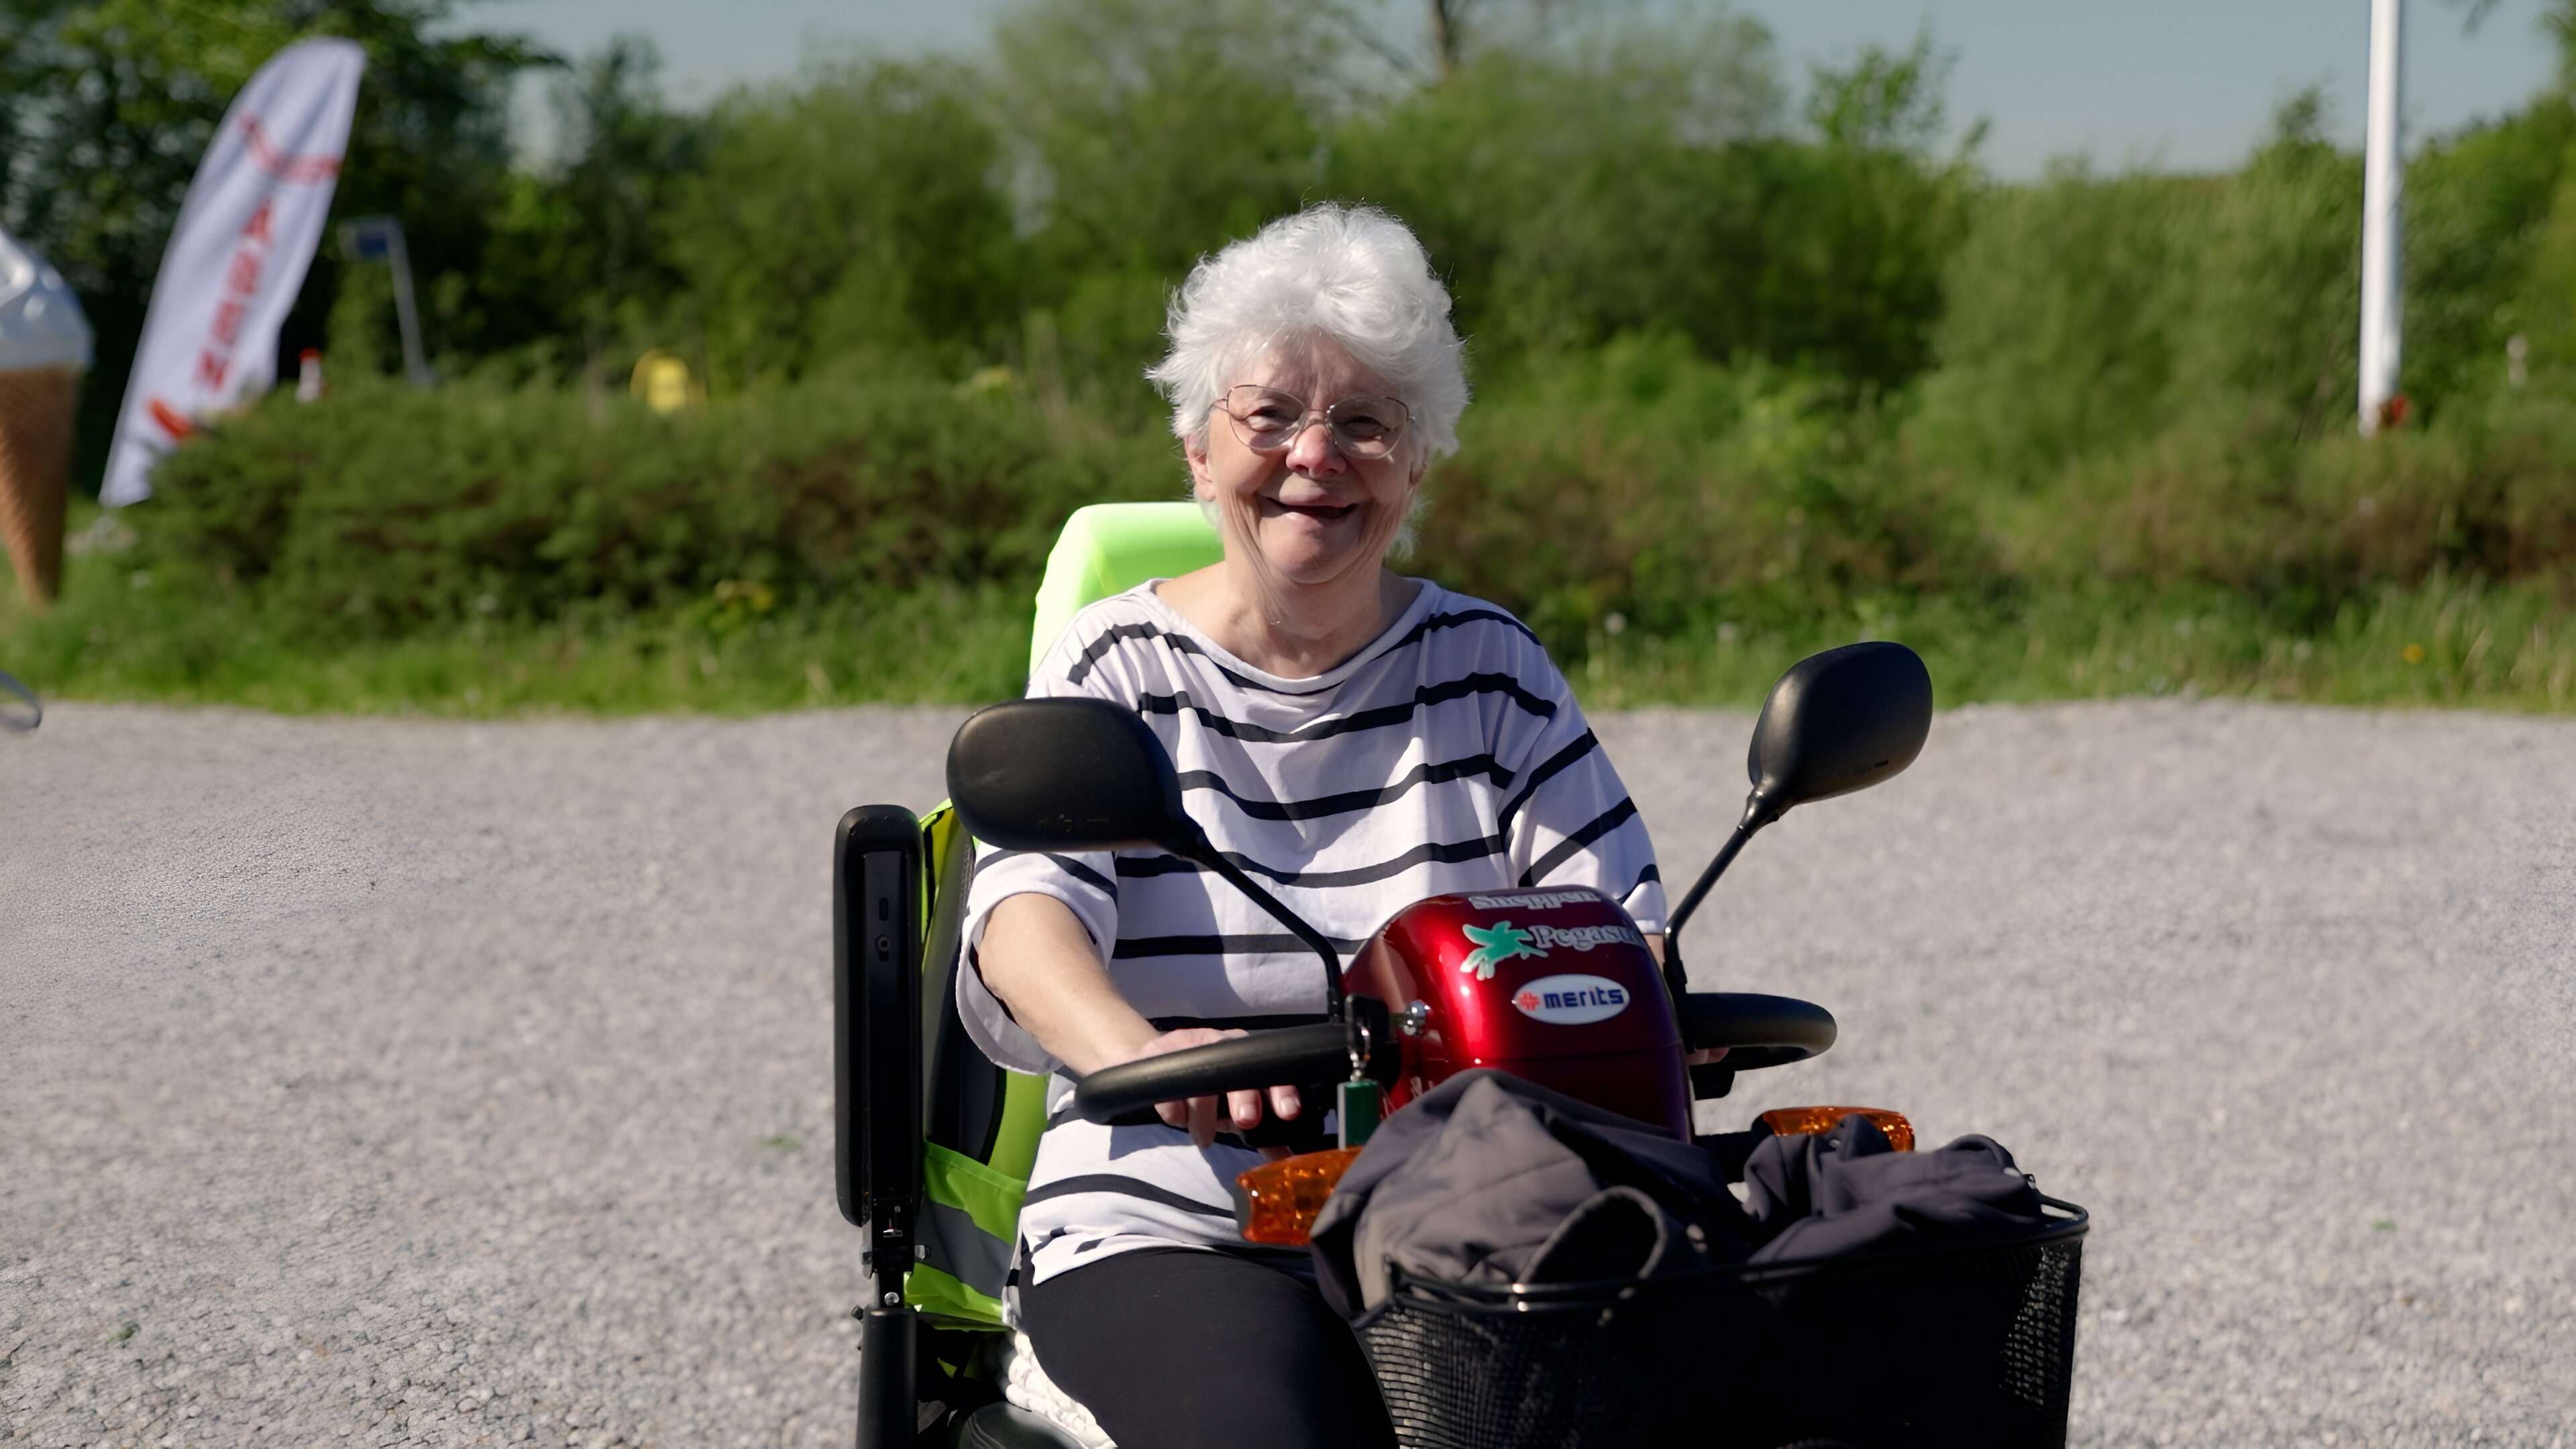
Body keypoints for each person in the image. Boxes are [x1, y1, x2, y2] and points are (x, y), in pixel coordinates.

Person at [959, 203, 1671, 1449]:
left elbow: (1616, 932)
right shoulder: (1118, 662)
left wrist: (1641, 1008)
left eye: (1364, 423)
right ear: (1195, 447)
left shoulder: (1489, 667)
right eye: (1271, 415)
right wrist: (1137, 1057)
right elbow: (1026, 927)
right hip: (1179, 1216)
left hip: (1472, 1213)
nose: (1315, 456)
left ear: (1420, 462)